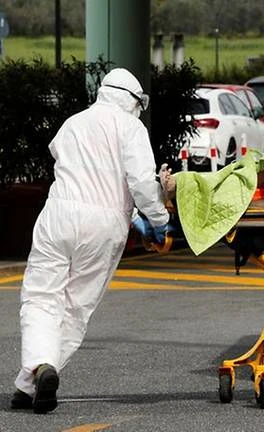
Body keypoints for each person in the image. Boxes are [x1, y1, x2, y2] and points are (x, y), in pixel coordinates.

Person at [10, 68, 172, 414]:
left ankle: (32, 376)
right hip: (104, 226)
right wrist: (159, 221)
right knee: (76, 306)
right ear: (133, 100)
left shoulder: (73, 123)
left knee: (40, 296)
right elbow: (141, 184)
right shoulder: (132, 128)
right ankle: (37, 376)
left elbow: (79, 170)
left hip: (58, 215)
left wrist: (135, 217)